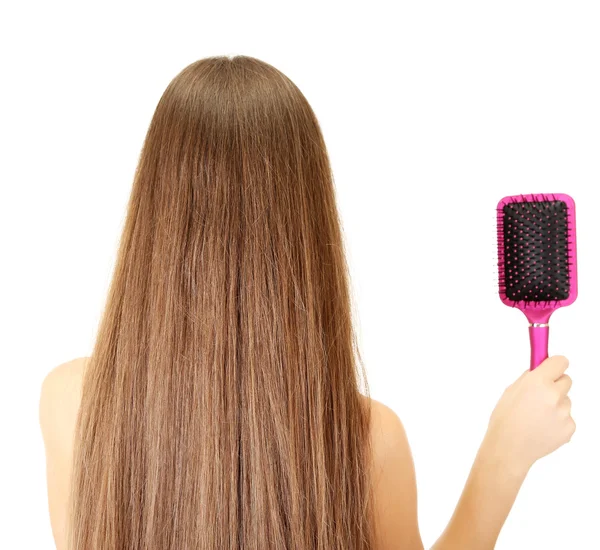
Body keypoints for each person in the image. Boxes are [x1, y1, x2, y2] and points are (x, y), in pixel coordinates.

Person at [39, 55, 575, 550]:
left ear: (154, 215)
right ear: (309, 230)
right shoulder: (364, 442)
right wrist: (503, 459)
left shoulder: (71, 404)